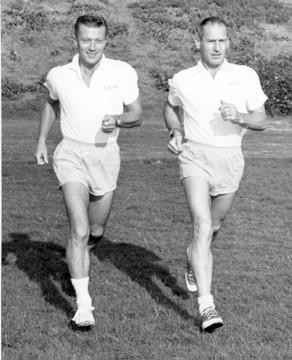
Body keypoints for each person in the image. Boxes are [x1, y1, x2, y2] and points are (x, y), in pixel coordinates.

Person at [35, 15, 142, 327]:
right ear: (75, 40)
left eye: (98, 40)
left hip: (106, 156)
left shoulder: (122, 72)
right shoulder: (59, 74)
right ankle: (84, 306)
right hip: (70, 154)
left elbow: (137, 114)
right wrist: (42, 139)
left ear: (106, 41)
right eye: (86, 40)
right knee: (79, 229)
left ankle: (77, 259)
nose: (92, 46)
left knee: (95, 231)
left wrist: (117, 120)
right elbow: (50, 103)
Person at [164, 16, 267, 332]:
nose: (217, 46)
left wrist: (240, 116)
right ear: (198, 43)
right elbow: (169, 107)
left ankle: (193, 257)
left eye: (222, 40)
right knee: (202, 223)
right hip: (195, 157)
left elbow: (261, 120)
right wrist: (176, 130)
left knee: (214, 225)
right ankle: (207, 308)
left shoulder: (244, 75)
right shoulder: (182, 79)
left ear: (229, 43)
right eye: (211, 40)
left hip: (230, 159)